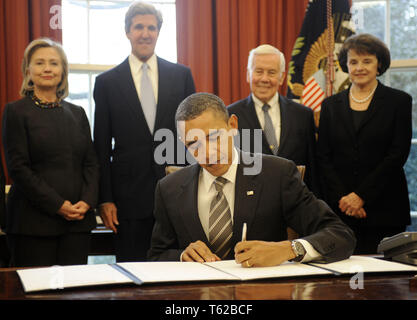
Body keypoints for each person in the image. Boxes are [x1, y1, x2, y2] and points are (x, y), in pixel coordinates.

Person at [148, 92, 355, 266]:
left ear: (232, 125)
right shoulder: (169, 188)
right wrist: (182, 256)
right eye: (194, 144)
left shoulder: (277, 174)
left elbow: (340, 235)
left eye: (213, 137)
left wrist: (289, 249)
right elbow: (156, 255)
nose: (207, 152)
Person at [93, 1, 196, 262]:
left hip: (178, 191)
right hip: (128, 199)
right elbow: (101, 146)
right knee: (133, 272)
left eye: (151, 27)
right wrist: (105, 200)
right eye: (139, 27)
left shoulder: (182, 75)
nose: (145, 33)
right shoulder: (107, 83)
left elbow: (195, 135)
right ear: (127, 31)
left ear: (158, 32)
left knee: (179, 271)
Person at [2, 38, 99, 267]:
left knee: (75, 291)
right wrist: (58, 205)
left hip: (77, 223)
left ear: (63, 71)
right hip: (32, 223)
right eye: (39, 63)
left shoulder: (78, 113)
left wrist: (87, 202)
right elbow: (18, 168)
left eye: (54, 63)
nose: (47, 68)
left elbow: (91, 163)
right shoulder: (15, 111)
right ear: (28, 70)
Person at [317, 33, 412, 254]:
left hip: (385, 208)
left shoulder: (399, 102)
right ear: (346, 66)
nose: (360, 67)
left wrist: (360, 196)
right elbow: (323, 156)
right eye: (353, 62)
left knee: (386, 284)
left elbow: (397, 154)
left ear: (379, 64)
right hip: (340, 210)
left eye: (367, 61)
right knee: (342, 282)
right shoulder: (330, 105)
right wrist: (345, 199)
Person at [228, 44, 320, 197]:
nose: (264, 79)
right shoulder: (229, 115)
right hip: (249, 203)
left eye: (271, 72)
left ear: (282, 77)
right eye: (258, 71)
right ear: (248, 75)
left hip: (294, 203)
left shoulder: (303, 115)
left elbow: (313, 169)